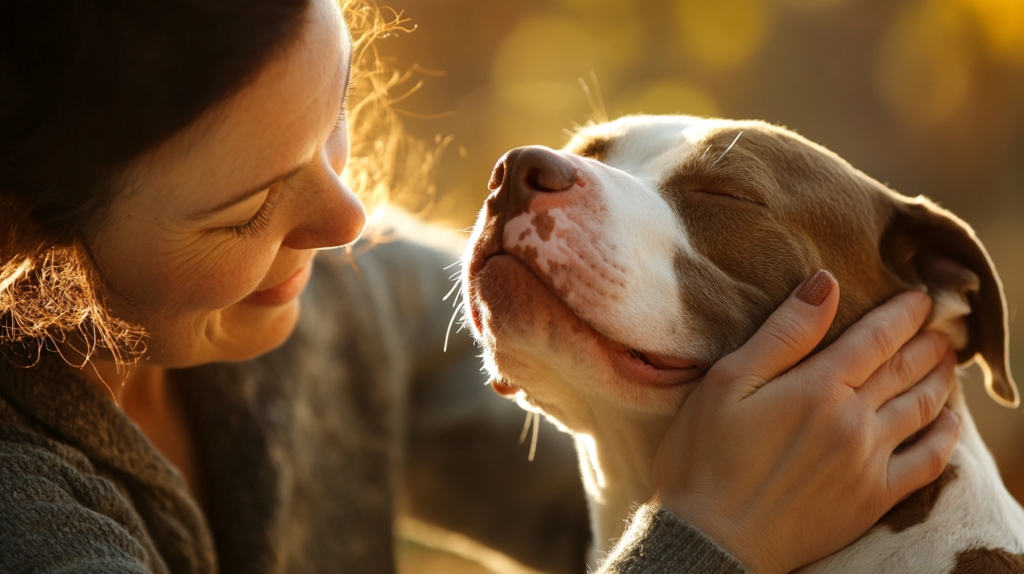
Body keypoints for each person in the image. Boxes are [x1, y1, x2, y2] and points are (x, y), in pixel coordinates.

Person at [0, 0, 960, 572]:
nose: (346, 223)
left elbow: (578, 483)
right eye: (246, 207)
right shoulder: (26, 517)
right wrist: (713, 541)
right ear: (29, 231)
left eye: (332, 120)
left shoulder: (349, 305)